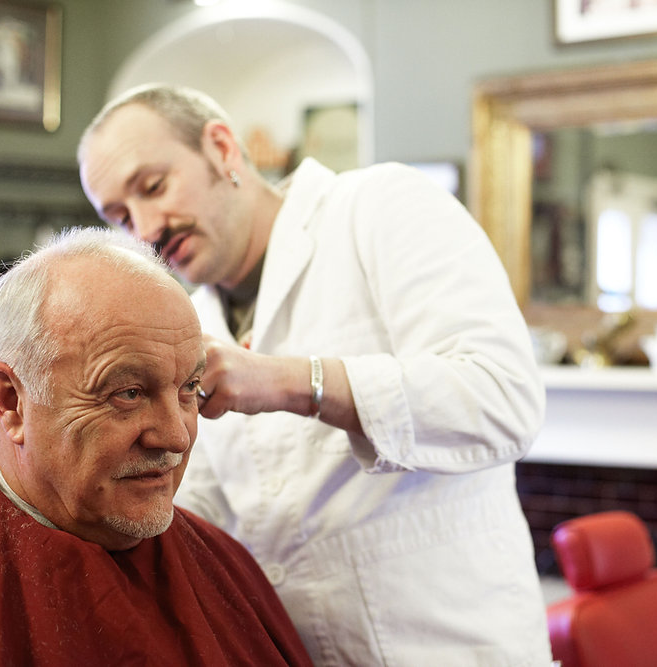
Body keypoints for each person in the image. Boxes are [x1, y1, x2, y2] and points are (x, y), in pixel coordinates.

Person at [78, 84, 551, 665]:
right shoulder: (189, 323)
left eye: (153, 187)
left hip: (452, 643)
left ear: (222, 148)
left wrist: (289, 381)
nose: (146, 228)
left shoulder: (381, 207)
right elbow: (209, 505)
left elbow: (503, 397)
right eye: (120, 216)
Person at [0, 227, 312, 666]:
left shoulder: (226, 566)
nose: (176, 436)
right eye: (128, 392)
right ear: (11, 401)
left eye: (189, 387)